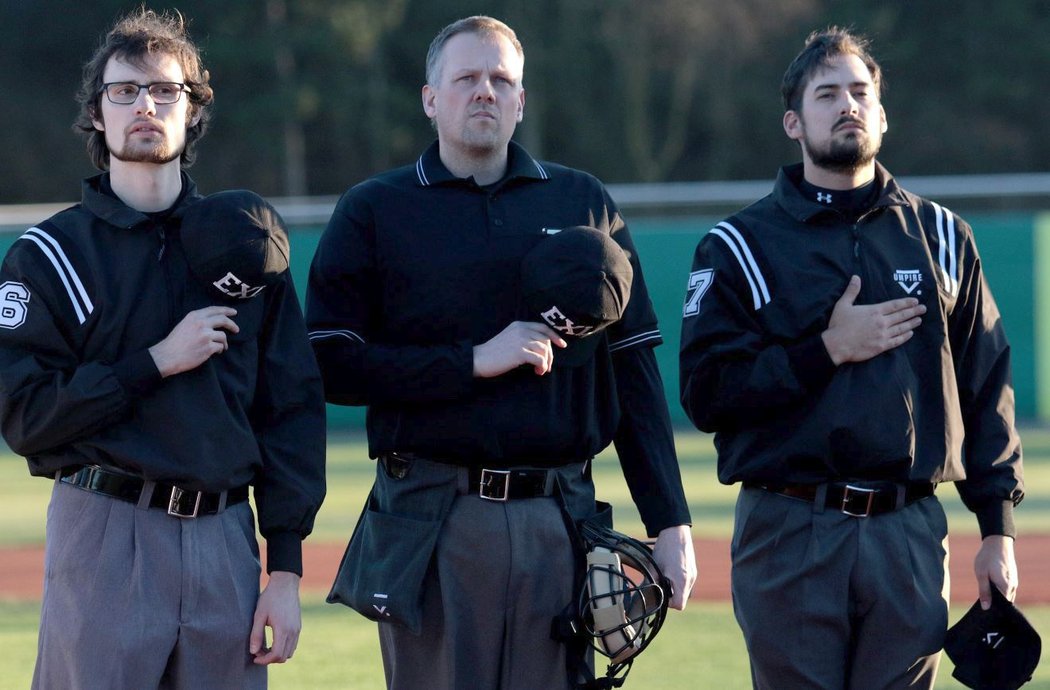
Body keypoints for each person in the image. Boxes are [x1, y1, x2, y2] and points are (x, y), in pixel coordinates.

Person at [306, 15, 696, 690]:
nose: (484, 92)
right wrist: (471, 360)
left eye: (501, 80)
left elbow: (631, 366)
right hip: (433, 518)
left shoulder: (583, 201)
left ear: (521, 100)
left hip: (561, 518)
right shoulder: (376, 208)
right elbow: (330, 362)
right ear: (431, 98)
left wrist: (670, 521)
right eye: (466, 79)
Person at [679, 27, 1024, 690]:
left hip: (910, 532)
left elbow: (986, 387)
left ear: (883, 115)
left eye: (861, 92)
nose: (848, 105)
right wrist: (826, 350)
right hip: (790, 526)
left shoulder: (945, 238)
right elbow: (707, 393)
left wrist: (997, 528)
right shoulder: (739, 246)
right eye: (827, 93)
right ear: (793, 120)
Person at [0, 9, 326, 688]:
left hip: (225, 542)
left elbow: (289, 411)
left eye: (164, 90)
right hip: (104, 534)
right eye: (125, 90)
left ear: (193, 110)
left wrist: (287, 569)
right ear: (97, 114)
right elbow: (27, 419)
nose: (144, 104)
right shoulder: (48, 256)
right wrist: (152, 364)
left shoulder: (246, 245)